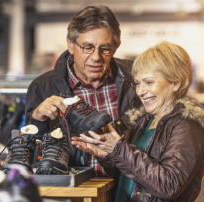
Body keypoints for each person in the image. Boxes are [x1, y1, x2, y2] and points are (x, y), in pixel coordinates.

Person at [71, 41, 204, 202]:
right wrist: (108, 155)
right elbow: (135, 178)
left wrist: (118, 148)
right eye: (137, 83)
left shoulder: (188, 126)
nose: (140, 91)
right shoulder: (143, 122)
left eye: (149, 82)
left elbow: (169, 186)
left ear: (176, 83)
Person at [25, 5, 141, 176]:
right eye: (87, 47)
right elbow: (30, 157)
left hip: (126, 192)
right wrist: (37, 121)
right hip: (75, 193)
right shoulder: (42, 87)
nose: (96, 57)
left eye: (105, 48)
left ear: (116, 47)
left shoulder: (135, 78)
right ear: (71, 45)